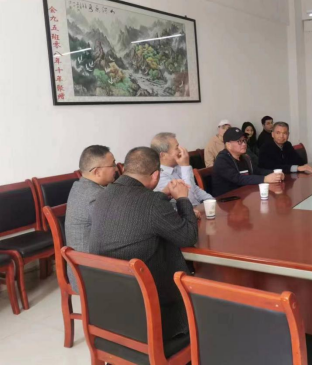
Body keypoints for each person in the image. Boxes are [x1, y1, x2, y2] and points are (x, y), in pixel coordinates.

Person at [89, 147, 198, 341]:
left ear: (125, 169)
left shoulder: (102, 195)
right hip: (151, 309)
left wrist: (162, 195)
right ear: (155, 175)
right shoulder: (152, 202)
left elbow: (138, 210)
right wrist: (182, 199)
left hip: (111, 304)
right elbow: (188, 237)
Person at [65, 145, 117, 290]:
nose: (116, 168)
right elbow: (118, 227)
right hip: (88, 275)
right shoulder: (95, 197)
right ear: (97, 171)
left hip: (80, 267)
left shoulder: (79, 186)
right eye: (112, 164)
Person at [212, 127, 284, 196]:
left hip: (244, 195)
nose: (244, 144)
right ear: (228, 145)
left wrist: (275, 173)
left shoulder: (245, 157)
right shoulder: (222, 160)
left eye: (244, 140)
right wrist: (265, 179)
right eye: (239, 141)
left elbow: (256, 171)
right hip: (226, 200)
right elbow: (238, 179)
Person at [151, 132, 212, 208]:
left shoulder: (177, 166)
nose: (180, 150)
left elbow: (195, 189)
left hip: (199, 209)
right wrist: (185, 166)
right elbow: (189, 202)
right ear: (163, 155)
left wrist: (212, 201)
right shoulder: (160, 177)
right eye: (177, 148)